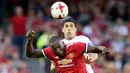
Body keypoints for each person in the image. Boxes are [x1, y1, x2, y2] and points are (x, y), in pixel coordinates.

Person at [25, 30, 109, 73]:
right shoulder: (50, 51)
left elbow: (94, 49)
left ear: (63, 43)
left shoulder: (76, 47)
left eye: (59, 47)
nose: (58, 50)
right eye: (55, 49)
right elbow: (30, 54)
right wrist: (29, 41)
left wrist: (103, 49)